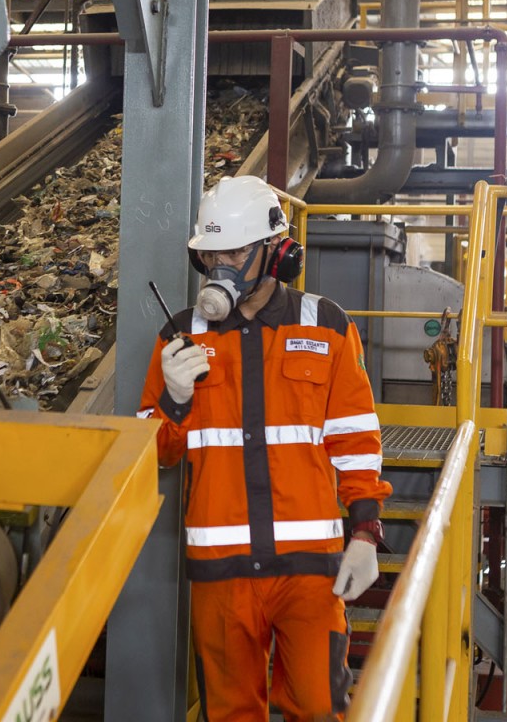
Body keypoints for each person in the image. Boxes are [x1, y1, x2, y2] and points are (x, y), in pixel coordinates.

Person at [138, 175, 392, 722]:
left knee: (319, 709)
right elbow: (155, 452)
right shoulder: (180, 337)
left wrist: (366, 533)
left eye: (233, 252)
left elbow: (356, 441)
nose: (219, 267)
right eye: (210, 255)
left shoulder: (326, 326)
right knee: (229, 715)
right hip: (221, 573)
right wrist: (175, 401)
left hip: (310, 572)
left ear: (276, 253)